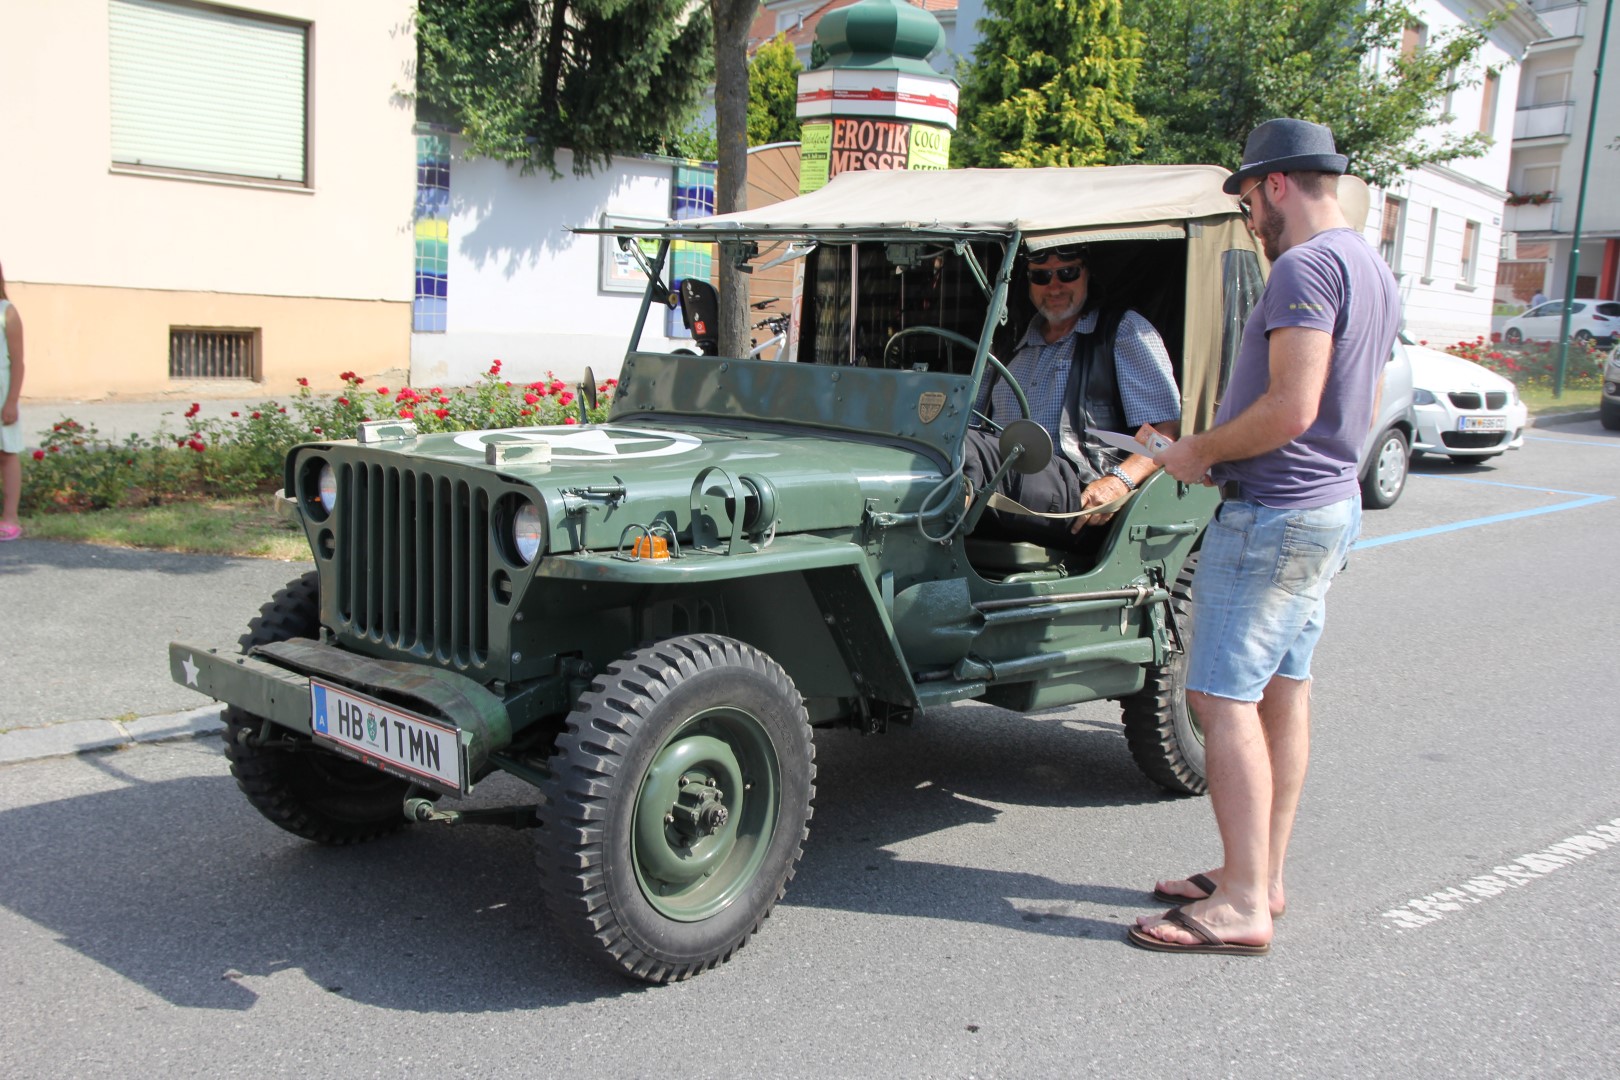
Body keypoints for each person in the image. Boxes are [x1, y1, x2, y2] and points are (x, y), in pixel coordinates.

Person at [1130, 119, 1400, 955]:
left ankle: (1241, 901)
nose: (1250, 218)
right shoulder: (1369, 264)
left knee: (1218, 698)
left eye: (1248, 199)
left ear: (1276, 184)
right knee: (1284, 690)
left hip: (1274, 511)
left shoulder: (1306, 267)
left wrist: (1195, 453)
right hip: (1325, 504)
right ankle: (1261, 872)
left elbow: (1293, 407)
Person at [963, 243, 1180, 548]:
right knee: (948, 443)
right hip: (999, 479)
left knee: (965, 449)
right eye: (1042, 277)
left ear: (1087, 275)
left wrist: (1120, 481)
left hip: (1076, 487)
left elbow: (1165, 432)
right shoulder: (1010, 344)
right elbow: (969, 423)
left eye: (1067, 273)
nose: (1054, 286)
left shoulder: (1122, 331)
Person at [0, 262, 23, 542]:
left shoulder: (7, 312)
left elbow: (18, 362)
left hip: (2, 393)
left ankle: (11, 516)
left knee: (6, 453)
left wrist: (12, 401)